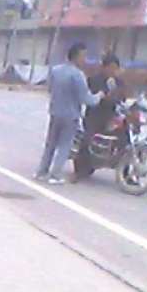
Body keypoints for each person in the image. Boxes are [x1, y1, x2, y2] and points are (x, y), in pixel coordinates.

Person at [34, 42, 105, 185]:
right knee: (64, 146)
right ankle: (55, 175)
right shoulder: (78, 75)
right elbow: (86, 99)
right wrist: (99, 96)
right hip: (70, 116)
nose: (85, 60)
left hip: (55, 112)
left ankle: (41, 171)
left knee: (50, 144)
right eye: (83, 56)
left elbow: (50, 89)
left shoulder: (55, 71)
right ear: (77, 56)